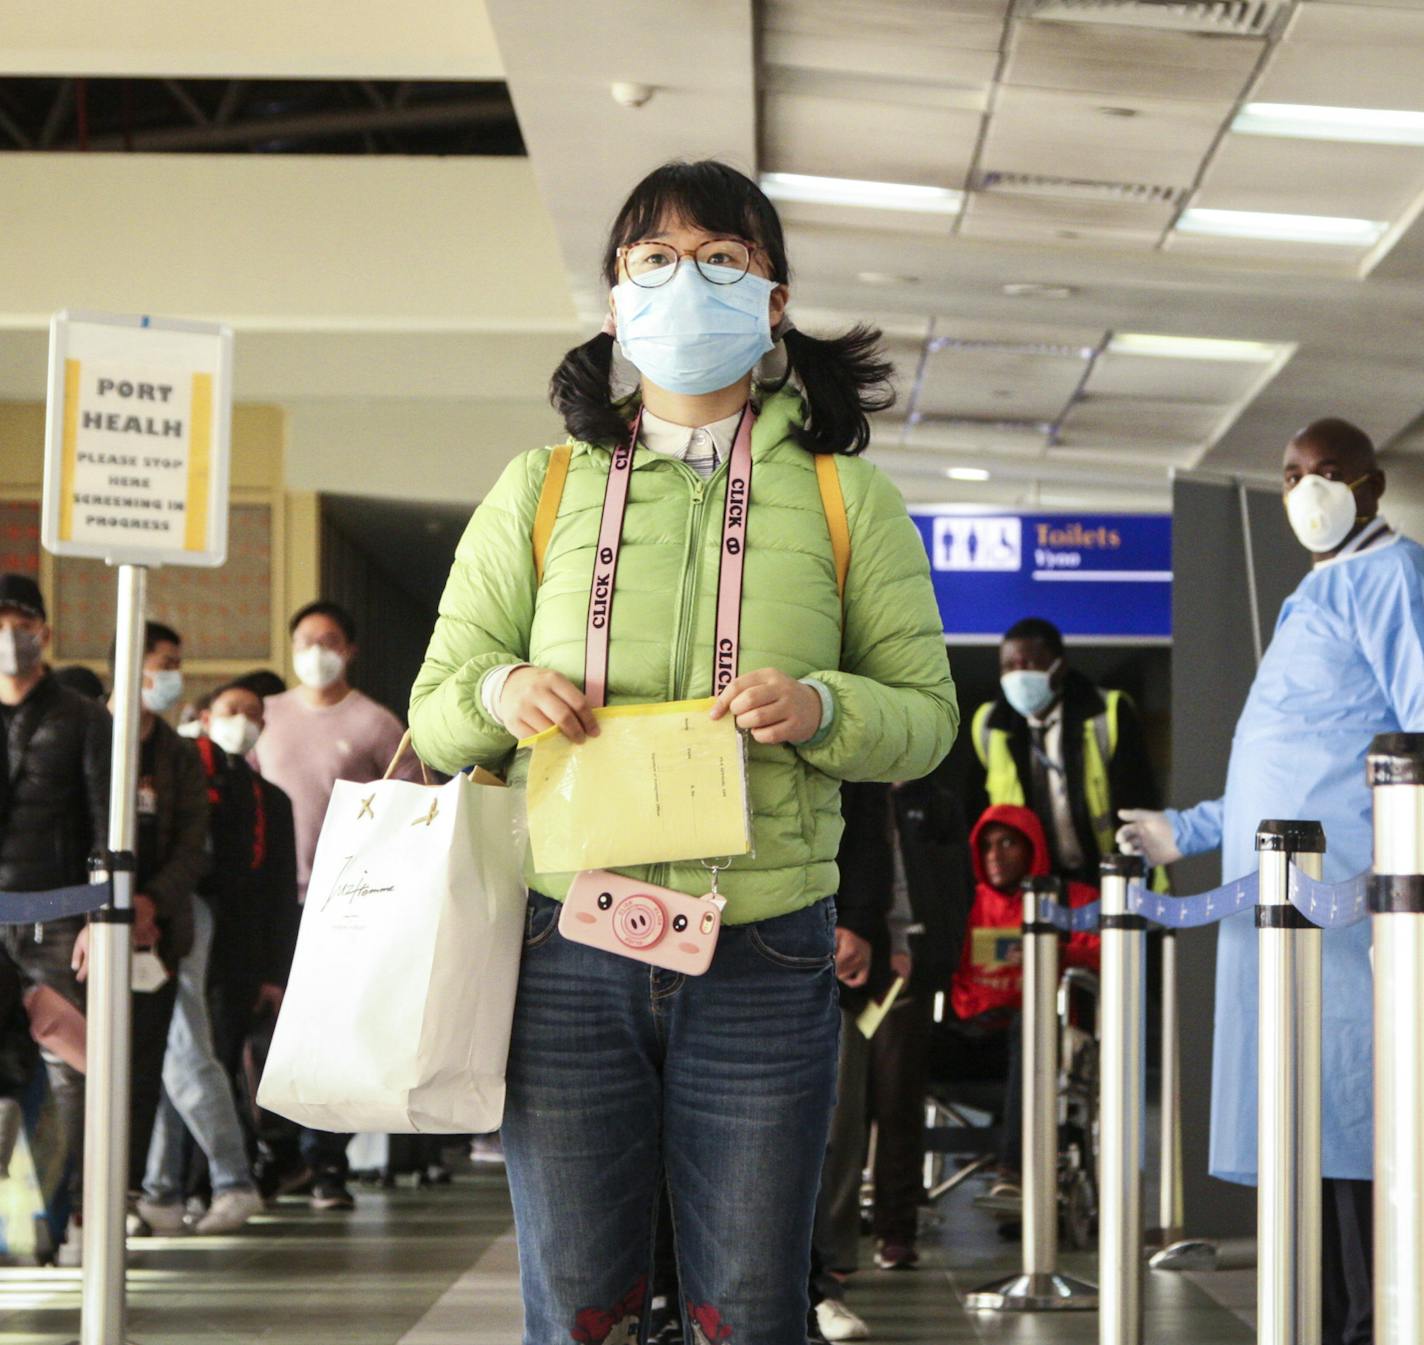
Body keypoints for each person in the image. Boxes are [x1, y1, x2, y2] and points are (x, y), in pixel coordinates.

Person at [409, 159, 957, 1344]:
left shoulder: (845, 497)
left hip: (763, 948)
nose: (681, 281)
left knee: (750, 1310)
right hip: (565, 946)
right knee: (577, 1308)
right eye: (651, 261)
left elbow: (926, 715)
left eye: (719, 258)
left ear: (771, 300)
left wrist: (820, 708)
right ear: (614, 303)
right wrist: (504, 688)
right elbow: (434, 709)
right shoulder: (540, 488)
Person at [1119, 417, 1424, 1345]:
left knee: (1360, 1142)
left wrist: (1398, 882)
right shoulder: (1320, 588)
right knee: (1312, 1145)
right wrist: (1192, 829)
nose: (1306, 489)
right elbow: (1291, 760)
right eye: (1290, 474)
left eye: (1326, 471)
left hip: (1348, 917)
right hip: (1286, 909)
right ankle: (1324, 1324)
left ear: (1370, 485)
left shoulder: (1391, 576)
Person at [251, 600, 414, 1211]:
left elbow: (411, 804)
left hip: (345, 901)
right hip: (272, 899)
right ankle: (278, 1151)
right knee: (269, 1029)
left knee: (333, 1032)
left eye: (329, 640)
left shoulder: (374, 723)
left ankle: (327, 1161)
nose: (316, 651)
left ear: (349, 650)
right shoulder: (265, 716)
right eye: (305, 640)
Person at [140, 680, 296, 1235]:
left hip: (209, 936)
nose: (243, 721)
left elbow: (277, 891)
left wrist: (274, 971)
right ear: (205, 716)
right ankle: (162, 1190)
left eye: (255, 714)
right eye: (233, 710)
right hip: (170, 916)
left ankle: (228, 1180)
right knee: (171, 1056)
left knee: (188, 1053)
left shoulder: (265, 797)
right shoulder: (182, 769)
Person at [74, 621, 207, 1202]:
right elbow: (67, 832)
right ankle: (79, 1196)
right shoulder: (84, 733)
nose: (174, 675)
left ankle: (125, 1191)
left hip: (158, 932)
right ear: (130, 664)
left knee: (143, 1069)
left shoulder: (178, 754)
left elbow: (192, 844)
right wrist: (108, 908)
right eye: (166, 662)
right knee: (84, 1065)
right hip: (85, 928)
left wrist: (149, 903)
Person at [0, 574, 110, 1229]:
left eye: (21, 622)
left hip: (55, 909)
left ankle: (64, 1211)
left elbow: (105, 822)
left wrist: (99, 916)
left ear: (44, 631)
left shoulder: (82, 716)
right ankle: (22, 1221)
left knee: (72, 1066)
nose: (11, 637)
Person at [931, 804, 1099, 1189]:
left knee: (1031, 1027)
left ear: (1032, 848)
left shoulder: (1070, 900)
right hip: (972, 1037)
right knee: (896, 1040)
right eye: (987, 846)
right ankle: (888, 1186)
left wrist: (1060, 952)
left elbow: (1112, 949)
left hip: (1041, 1043)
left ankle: (1013, 1171)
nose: (995, 855)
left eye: (1008, 843)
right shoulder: (965, 905)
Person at [966, 617, 1162, 888]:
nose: (1017, 675)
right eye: (1009, 666)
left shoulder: (1108, 713)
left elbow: (1140, 803)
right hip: (1030, 883)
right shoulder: (990, 725)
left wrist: (1133, 882)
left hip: (1107, 874)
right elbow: (980, 815)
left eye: (1029, 664)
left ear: (1059, 666)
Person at [810, 783, 895, 1343]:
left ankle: (821, 1283)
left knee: (827, 1123)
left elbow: (865, 816)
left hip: (812, 923)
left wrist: (861, 920)